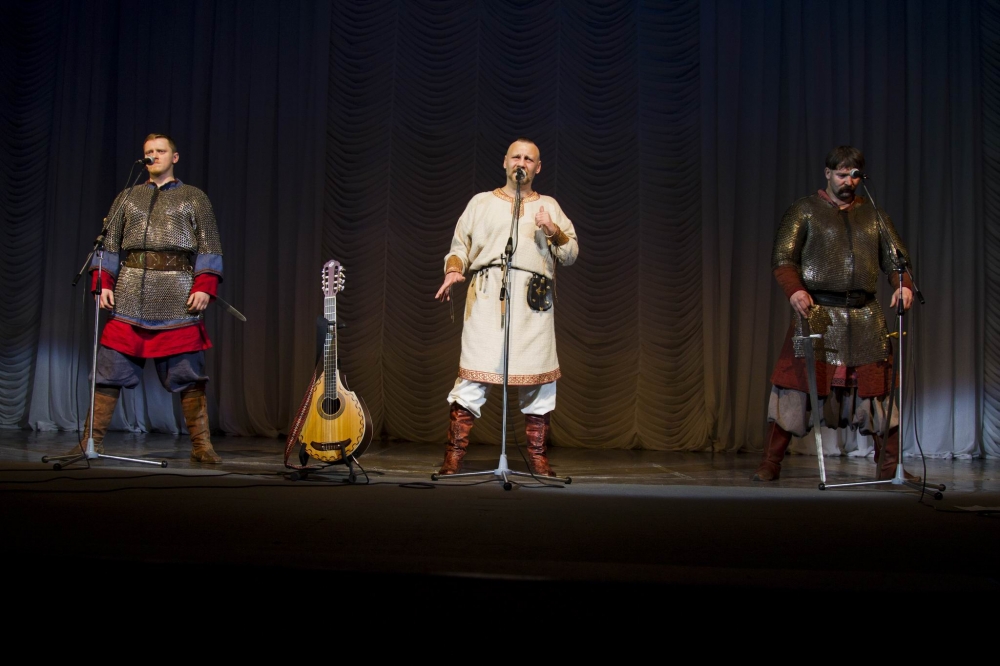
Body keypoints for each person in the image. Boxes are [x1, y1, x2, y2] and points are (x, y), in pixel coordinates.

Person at [753, 145, 918, 482]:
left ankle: (890, 467)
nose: (849, 181)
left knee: (878, 395)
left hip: (864, 315)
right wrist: (795, 290)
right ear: (828, 173)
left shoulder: (874, 215)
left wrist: (903, 286)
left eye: (855, 175)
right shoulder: (804, 210)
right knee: (794, 390)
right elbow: (783, 259)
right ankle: (770, 463)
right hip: (818, 313)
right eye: (842, 174)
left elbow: (896, 261)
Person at [74, 133, 224, 463]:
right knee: (108, 372)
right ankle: (90, 441)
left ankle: (202, 446)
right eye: (148, 152)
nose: (154, 156)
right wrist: (103, 281)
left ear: (174, 157)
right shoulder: (128, 197)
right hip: (131, 292)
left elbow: (210, 245)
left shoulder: (194, 197)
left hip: (177, 294)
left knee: (189, 374)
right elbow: (108, 244)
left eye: (160, 151)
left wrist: (204, 285)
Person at [434, 138, 580, 476]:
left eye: (529, 159)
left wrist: (552, 229)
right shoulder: (481, 202)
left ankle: (538, 458)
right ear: (505, 162)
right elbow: (460, 245)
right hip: (487, 299)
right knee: (472, 377)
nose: (521, 163)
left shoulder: (549, 205)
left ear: (538, 167)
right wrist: (454, 269)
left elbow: (571, 254)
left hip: (533, 303)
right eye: (517, 156)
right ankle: (453, 456)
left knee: (540, 381)